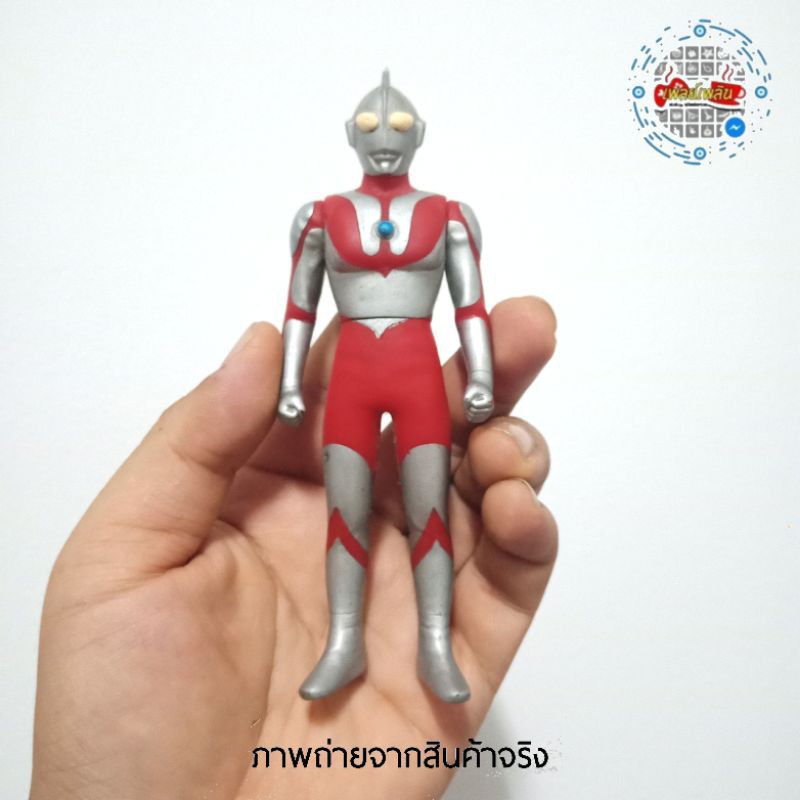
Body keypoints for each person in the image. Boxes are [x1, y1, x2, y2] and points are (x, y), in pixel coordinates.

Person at [29, 298, 557, 799]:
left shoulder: (450, 232)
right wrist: (287, 384)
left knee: (432, 516)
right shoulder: (320, 233)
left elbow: (468, 304)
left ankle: (434, 643)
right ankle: (344, 642)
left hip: (416, 375)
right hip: (352, 381)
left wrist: (481, 375)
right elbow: (301, 307)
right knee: (344, 516)